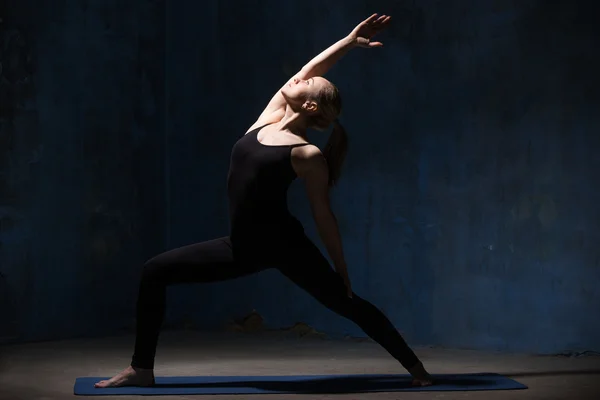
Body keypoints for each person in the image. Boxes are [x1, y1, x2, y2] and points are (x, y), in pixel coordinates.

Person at [95, 13, 433, 389]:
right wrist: (350, 42)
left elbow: (324, 216)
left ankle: (417, 370)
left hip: (285, 246)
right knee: (154, 271)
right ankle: (142, 369)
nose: (300, 79)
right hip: (240, 246)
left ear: (309, 108)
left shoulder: (307, 155)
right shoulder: (268, 120)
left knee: (347, 304)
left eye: (308, 85)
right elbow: (310, 68)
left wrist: (342, 271)